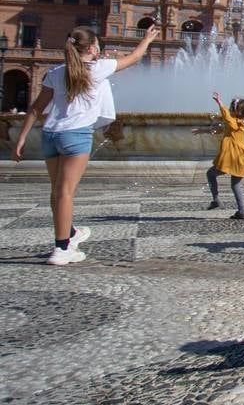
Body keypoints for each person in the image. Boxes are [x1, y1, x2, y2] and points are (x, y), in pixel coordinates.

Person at [10, 24, 158, 264]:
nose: (100, 49)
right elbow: (135, 57)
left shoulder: (56, 72)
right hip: (76, 136)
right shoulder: (98, 69)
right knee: (65, 192)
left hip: (50, 135)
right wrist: (148, 39)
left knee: (58, 191)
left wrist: (22, 138)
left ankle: (69, 234)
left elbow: (36, 108)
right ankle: (61, 249)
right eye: (97, 45)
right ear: (91, 48)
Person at [205, 91, 244, 218]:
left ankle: (216, 200)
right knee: (235, 184)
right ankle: (242, 211)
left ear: (237, 112)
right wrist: (203, 130)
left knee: (210, 174)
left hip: (233, 157)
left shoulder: (233, 122)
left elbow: (226, 116)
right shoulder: (242, 123)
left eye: (232, 107)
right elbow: (225, 127)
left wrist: (219, 102)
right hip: (243, 157)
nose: (229, 109)